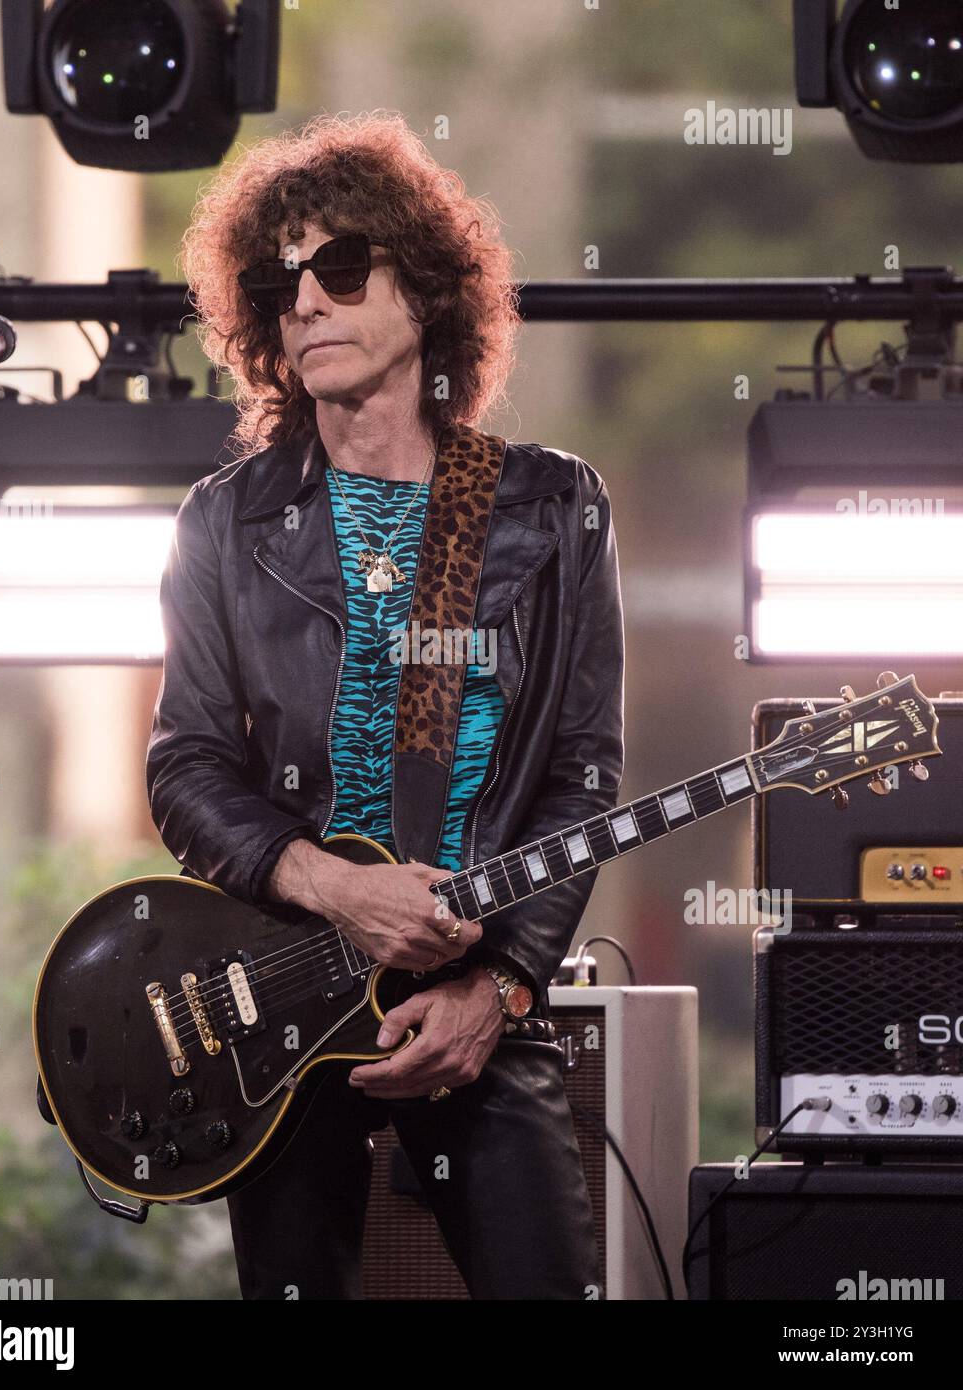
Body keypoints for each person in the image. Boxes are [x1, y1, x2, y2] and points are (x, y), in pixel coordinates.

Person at [146, 111, 625, 1300]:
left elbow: (581, 772)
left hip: (466, 987)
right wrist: (332, 884)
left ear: (427, 292)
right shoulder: (226, 519)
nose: (303, 300)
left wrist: (501, 982)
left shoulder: (543, 508)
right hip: (278, 995)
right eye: (276, 279)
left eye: (341, 268)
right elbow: (186, 767)